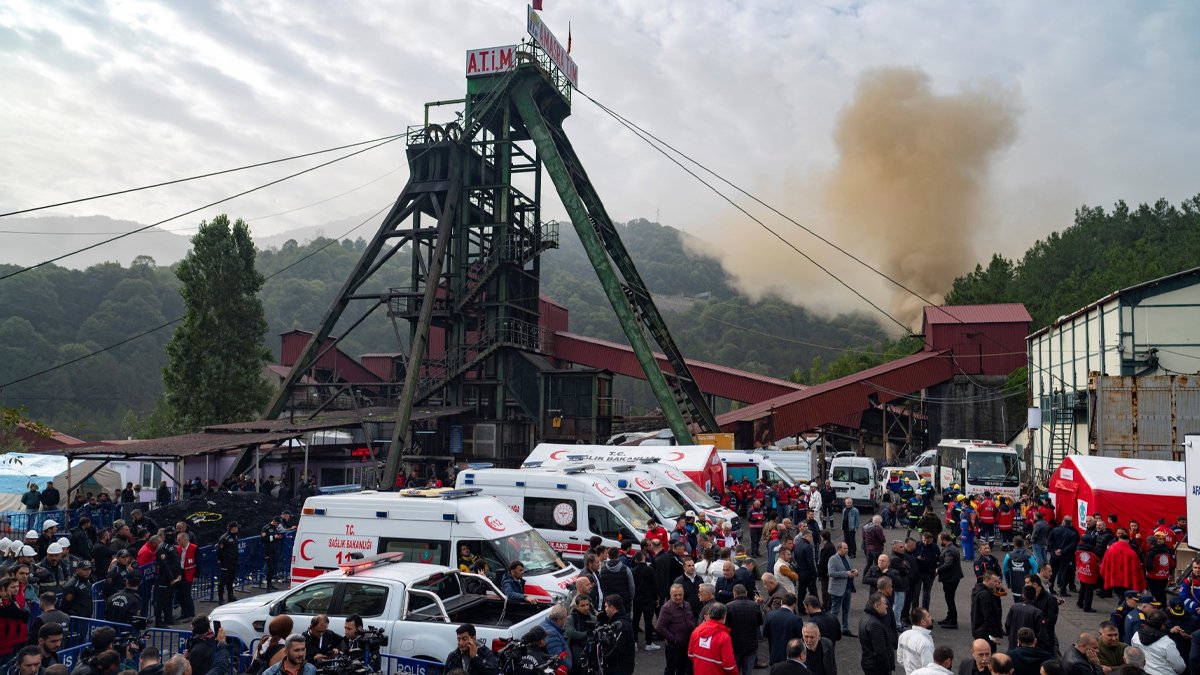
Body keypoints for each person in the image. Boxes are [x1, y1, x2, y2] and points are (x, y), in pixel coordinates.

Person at [1129, 610, 1184, 675]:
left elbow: (1135, 657)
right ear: (1162, 626)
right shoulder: (1167, 643)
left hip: (1145, 672)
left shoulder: (1136, 636)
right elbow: (1180, 667)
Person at [655, 583, 694, 675]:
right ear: (670, 595)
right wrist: (674, 639)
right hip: (673, 647)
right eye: (675, 595)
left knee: (682, 668)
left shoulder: (687, 605)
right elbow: (660, 627)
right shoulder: (666, 608)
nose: (678, 597)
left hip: (687, 644)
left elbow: (691, 619)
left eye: (680, 594)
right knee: (671, 669)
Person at [689, 602, 737, 675]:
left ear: (709, 614)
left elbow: (690, 654)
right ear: (724, 616)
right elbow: (729, 666)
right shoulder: (724, 637)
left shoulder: (696, 631)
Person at [726, 585, 763, 675]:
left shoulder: (728, 607)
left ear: (734, 594)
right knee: (748, 671)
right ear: (746, 593)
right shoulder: (755, 606)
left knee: (735, 671)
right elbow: (760, 622)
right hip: (751, 645)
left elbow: (726, 626)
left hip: (735, 645)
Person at [827, 542, 859, 635]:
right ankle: (832, 629)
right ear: (839, 549)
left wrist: (854, 571)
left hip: (847, 588)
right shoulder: (833, 559)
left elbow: (850, 568)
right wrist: (846, 574)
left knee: (846, 610)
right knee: (835, 611)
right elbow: (831, 573)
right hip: (837, 590)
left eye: (847, 548)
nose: (847, 550)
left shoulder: (847, 557)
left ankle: (845, 629)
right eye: (845, 548)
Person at [859, 592, 895, 675]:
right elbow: (880, 651)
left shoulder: (865, 617)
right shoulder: (875, 624)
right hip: (876, 668)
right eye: (884, 604)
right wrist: (887, 669)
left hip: (868, 662)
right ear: (877, 606)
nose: (887, 606)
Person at [1005, 585, 1050, 651]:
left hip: (1013, 645)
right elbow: (1041, 634)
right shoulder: (1038, 612)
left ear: (1022, 595)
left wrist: (1011, 636)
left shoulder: (1014, 607)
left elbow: (1007, 625)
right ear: (1035, 596)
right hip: (1029, 649)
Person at [764, 593, 804, 665]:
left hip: (774, 655)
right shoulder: (796, 619)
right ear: (794, 604)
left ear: (781, 602)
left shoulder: (770, 615)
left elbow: (765, 634)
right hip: (790, 656)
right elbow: (800, 638)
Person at [600, 595, 635, 675]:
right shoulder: (620, 621)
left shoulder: (620, 625)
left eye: (606, 607)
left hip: (620, 667)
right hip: (621, 665)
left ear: (612, 608)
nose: (605, 610)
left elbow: (617, 648)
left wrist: (605, 658)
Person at [937, 532, 964, 629]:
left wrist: (937, 570)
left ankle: (953, 621)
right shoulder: (952, 547)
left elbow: (948, 563)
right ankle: (949, 617)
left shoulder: (948, 550)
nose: (939, 541)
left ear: (944, 540)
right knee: (949, 599)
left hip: (950, 578)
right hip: (954, 577)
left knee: (950, 600)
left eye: (940, 540)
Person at [971, 571, 1005, 648]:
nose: (997, 583)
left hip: (980, 630)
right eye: (994, 581)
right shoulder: (985, 595)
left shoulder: (979, 590)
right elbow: (988, 616)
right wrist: (993, 635)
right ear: (987, 580)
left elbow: (1002, 594)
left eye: (998, 581)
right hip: (984, 632)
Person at [153, 535, 181, 627]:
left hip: (171, 578)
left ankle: (168, 619)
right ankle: (159, 622)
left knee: (169, 600)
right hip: (164, 579)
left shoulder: (171, 546)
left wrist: (178, 575)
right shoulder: (162, 548)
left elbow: (176, 561)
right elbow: (164, 565)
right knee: (161, 601)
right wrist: (172, 578)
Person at [898, 607, 934, 675]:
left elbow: (900, 659)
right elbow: (929, 670)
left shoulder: (903, 635)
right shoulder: (925, 643)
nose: (931, 618)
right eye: (929, 616)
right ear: (923, 622)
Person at [565, 594, 595, 675]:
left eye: (587, 605)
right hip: (576, 651)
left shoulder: (593, 618)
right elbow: (571, 633)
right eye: (583, 605)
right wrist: (587, 634)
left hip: (591, 651)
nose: (586, 608)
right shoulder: (571, 618)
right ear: (577, 606)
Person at [215, 521, 239, 604]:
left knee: (231, 580)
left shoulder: (235, 537)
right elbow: (219, 551)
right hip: (225, 563)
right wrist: (221, 560)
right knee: (223, 581)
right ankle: (220, 598)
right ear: (231, 528)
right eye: (235, 527)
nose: (237, 529)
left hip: (233, 562)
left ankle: (230, 595)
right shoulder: (224, 538)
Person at [260, 517, 282, 591]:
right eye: (277, 523)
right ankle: (268, 586)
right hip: (268, 551)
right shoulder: (266, 528)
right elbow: (263, 539)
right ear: (274, 521)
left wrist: (278, 537)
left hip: (274, 550)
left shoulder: (275, 528)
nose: (278, 524)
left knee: (273, 569)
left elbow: (275, 537)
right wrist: (273, 537)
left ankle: (270, 584)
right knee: (270, 568)